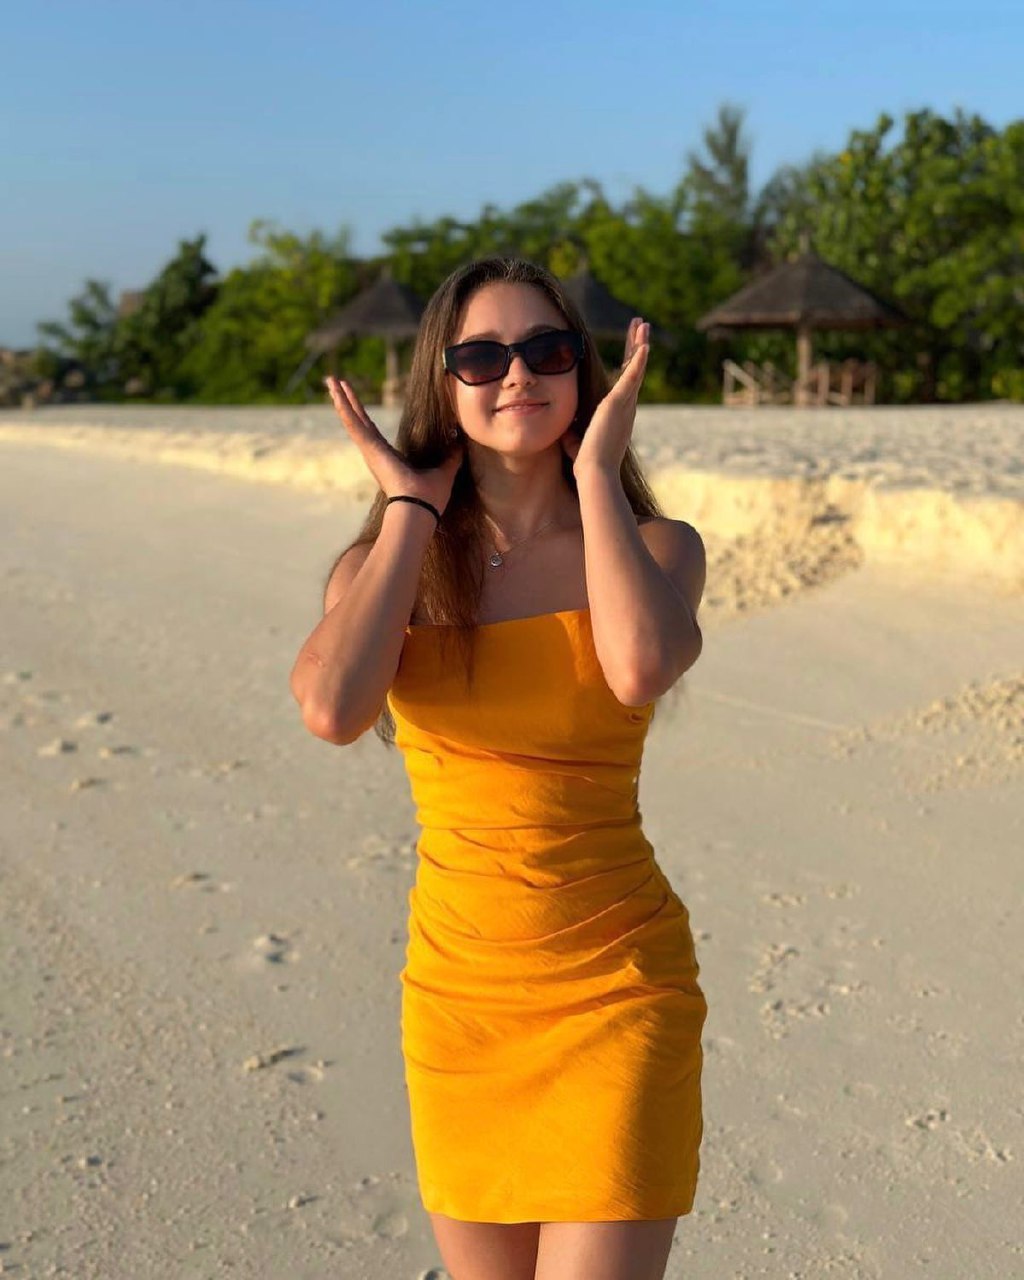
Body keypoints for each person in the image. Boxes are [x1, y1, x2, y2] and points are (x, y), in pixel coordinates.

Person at [289, 256, 708, 1280]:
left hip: (617, 985)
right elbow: (333, 711)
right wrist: (409, 511)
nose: (517, 374)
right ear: (442, 383)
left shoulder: (658, 546)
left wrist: (597, 478)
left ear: (583, 372)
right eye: (480, 357)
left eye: (546, 350)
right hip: (461, 999)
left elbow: (638, 667)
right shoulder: (385, 567)